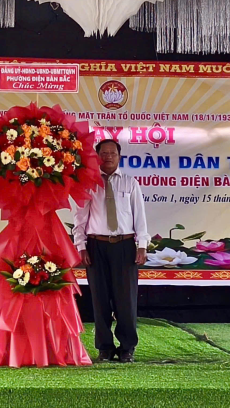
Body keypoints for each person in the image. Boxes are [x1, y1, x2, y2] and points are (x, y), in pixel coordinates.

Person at [72, 139, 150, 363]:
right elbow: (80, 218)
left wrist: (142, 246)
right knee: (100, 299)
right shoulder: (88, 183)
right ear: (97, 157)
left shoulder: (130, 182)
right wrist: (81, 246)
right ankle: (104, 347)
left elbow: (140, 216)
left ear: (119, 156)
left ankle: (127, 347)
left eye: (112, 153)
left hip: (125, 246)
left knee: (126, 300)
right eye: (104, 153)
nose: (108, 156)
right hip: (96, 246)